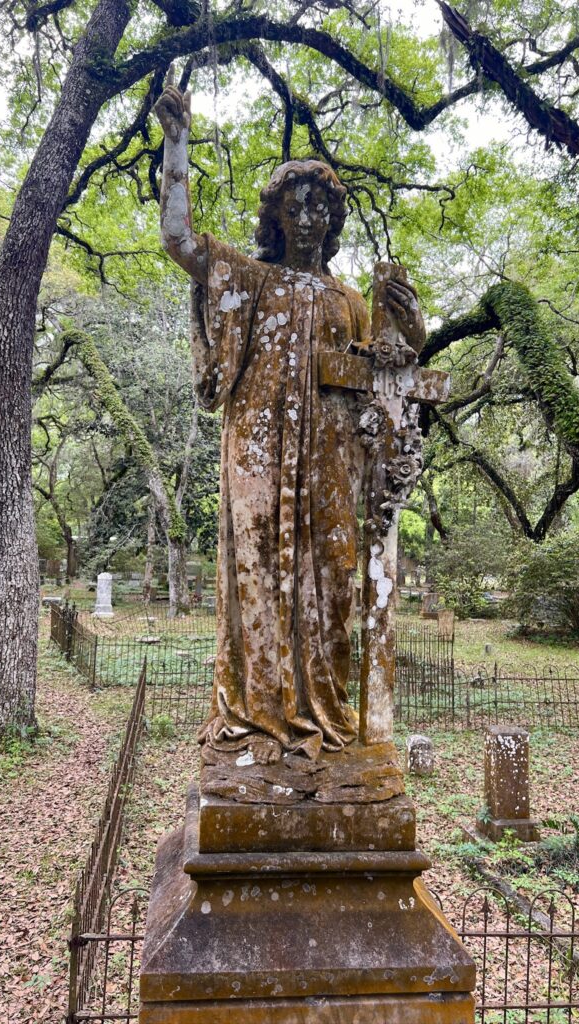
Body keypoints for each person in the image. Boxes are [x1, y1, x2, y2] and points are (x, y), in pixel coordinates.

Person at [155, 82, 424, 763]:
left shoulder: (351, 300)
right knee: (258, 574)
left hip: (333, 462)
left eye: (320, 209)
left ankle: (326, 716)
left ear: (333, 221)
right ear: (276, 216)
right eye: (295, 207)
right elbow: (179, 238)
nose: (308, 220)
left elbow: (389, 378)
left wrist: (412, 330)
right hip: (259, 451)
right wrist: (177, 144)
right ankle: (259, 712)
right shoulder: (252, 281)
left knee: (333, 582)